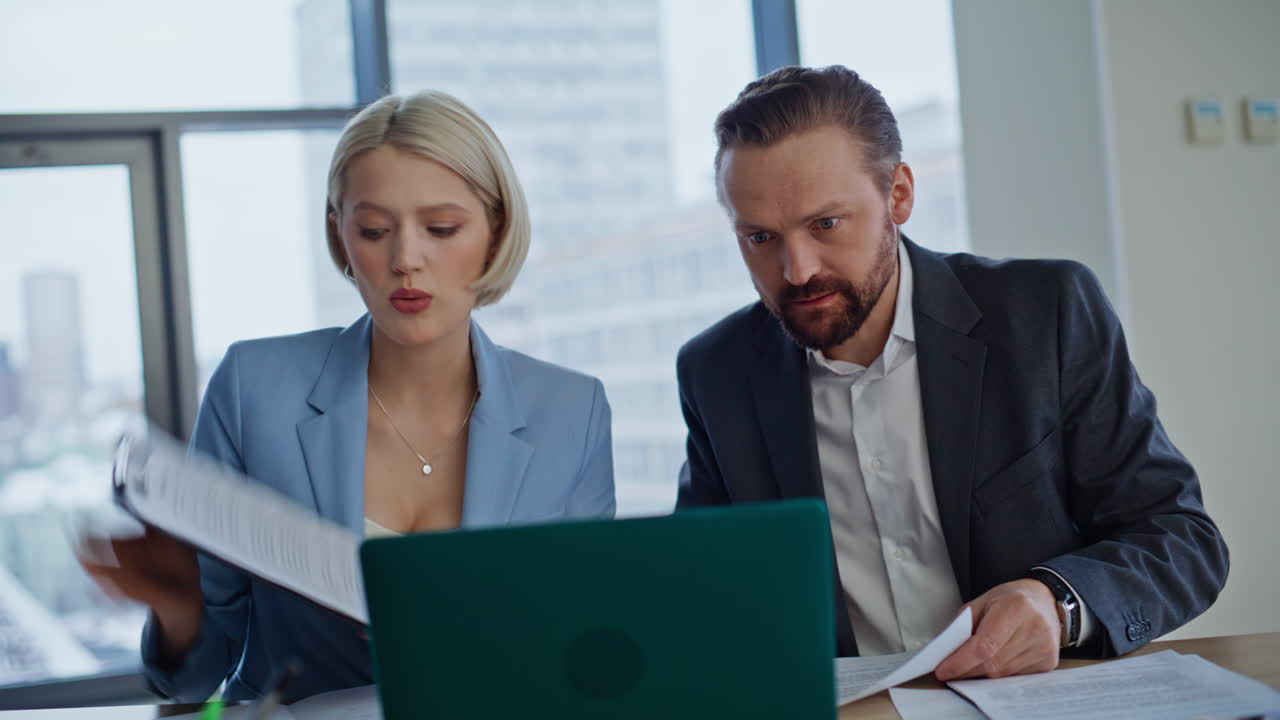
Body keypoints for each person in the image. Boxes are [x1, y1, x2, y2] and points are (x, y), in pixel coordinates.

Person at [675, 65, 1228, 679]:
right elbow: (705, 587)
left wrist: (1058, 602)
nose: (797, 270)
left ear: (899, 195)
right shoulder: (715, 374)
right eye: (759, 238)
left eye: (825, 224)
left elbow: (1181, 539)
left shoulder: (1044, 313)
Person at [82, 91, 616, 701]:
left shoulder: (573, 412)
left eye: (441, 229)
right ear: (339, 237)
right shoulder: (251, 388)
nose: (406, 260)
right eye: (374, 230)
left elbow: (586, 650)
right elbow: (193, 682)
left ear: (496, 234)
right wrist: (178, 612)